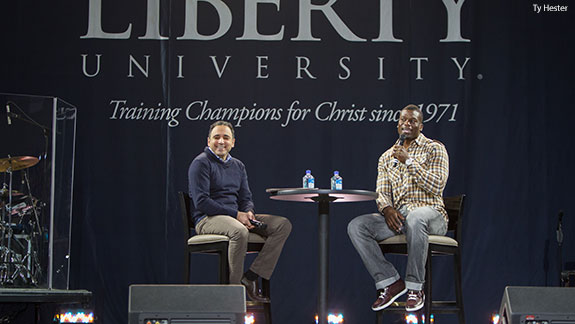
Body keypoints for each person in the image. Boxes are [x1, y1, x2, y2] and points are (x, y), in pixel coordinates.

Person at [347, 104, 449, 312]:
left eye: (412, 121)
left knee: (416, 217)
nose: (407, 124)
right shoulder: (386, 157)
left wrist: (409, 161)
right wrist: (386, 209)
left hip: (432, 215)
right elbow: (382, 192)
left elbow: (437, 185)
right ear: (397, 125)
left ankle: (415, 287)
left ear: (421, 126)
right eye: (403, 120)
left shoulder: (434, 148)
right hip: (402, 217)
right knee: (358, 226)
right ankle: (390, 281)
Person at [188, 121, 292, 303]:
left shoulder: (238, 166)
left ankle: (250, 277)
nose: (221, 141)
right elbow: (202, 202)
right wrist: (237, 215)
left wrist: (249, 212)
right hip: (207, 219)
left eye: (226, 138)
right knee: (239, 231)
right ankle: (234, 293)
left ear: (233, 142)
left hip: (235, 217)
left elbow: (245, 197)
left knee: (282, 225)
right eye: (216, 137)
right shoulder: (200, 163)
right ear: (208, 141)